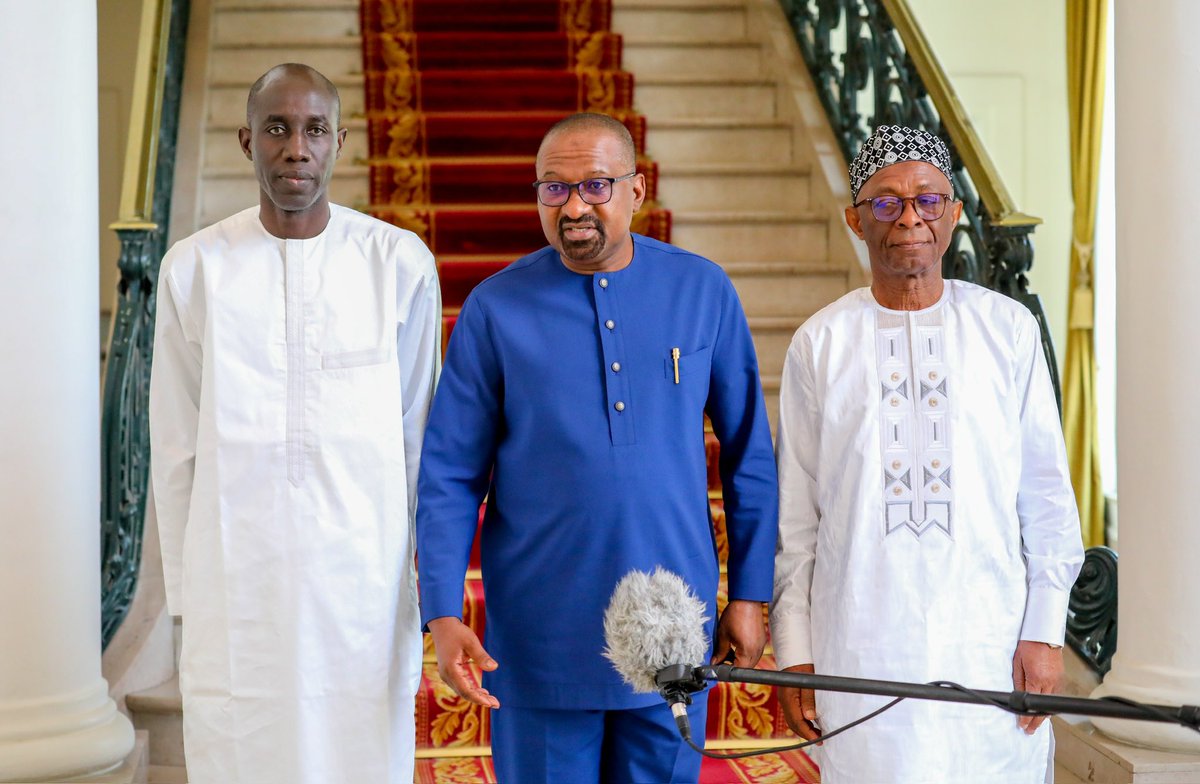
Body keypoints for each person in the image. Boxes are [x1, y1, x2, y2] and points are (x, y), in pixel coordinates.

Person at [415, 112, 778, 783]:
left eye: (596, 185)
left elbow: (749, 450)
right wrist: (442, 608)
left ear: (637, 191)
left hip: (672, 622)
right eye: (553, 189)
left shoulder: (702, 291)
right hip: (541, 634)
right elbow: (449, 473)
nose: (575, 206)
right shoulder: (496, 308)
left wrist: (750, 594)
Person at [148, 63, 440, 784]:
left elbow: (418, 436)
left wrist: (423, 579)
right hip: (235, 582)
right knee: (243, 750)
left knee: (361, 753)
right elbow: (176, 444)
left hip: (362, 578)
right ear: (248, 142)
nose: (296, 148)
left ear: (341, 141)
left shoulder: (397, 264)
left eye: (314, 130)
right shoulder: (194, 269)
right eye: (277, 128)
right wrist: (187, 596)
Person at [769, 124, 1085, 782]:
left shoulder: (1008, 330)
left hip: (989, 638)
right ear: (855, 220)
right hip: (859, 639)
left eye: (927, 200)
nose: (908, 217)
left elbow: (1048, 494)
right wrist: (797, 651)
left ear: (956, 215)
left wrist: (1045, 629)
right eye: (885, 202)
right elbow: (795, 518)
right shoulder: (819, 344)